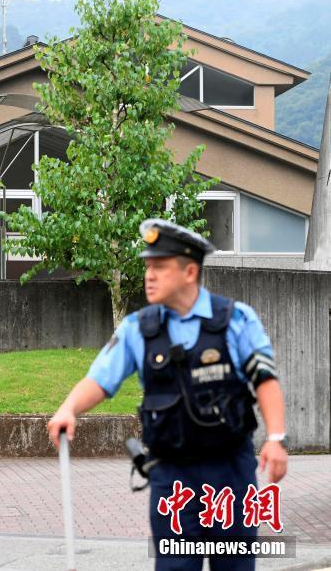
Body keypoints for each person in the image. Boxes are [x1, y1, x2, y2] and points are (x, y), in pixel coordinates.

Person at [47, 218, 288, 571]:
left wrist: (277, 438)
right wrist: (69, 408)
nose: (149, 275)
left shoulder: (236, 320)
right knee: (175, 566)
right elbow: (99, 379)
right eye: (147, 266)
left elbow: (265, 380)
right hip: (172, 476)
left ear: (190, 272)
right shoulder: (138, 329)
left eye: (159, 267)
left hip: (230, 474)